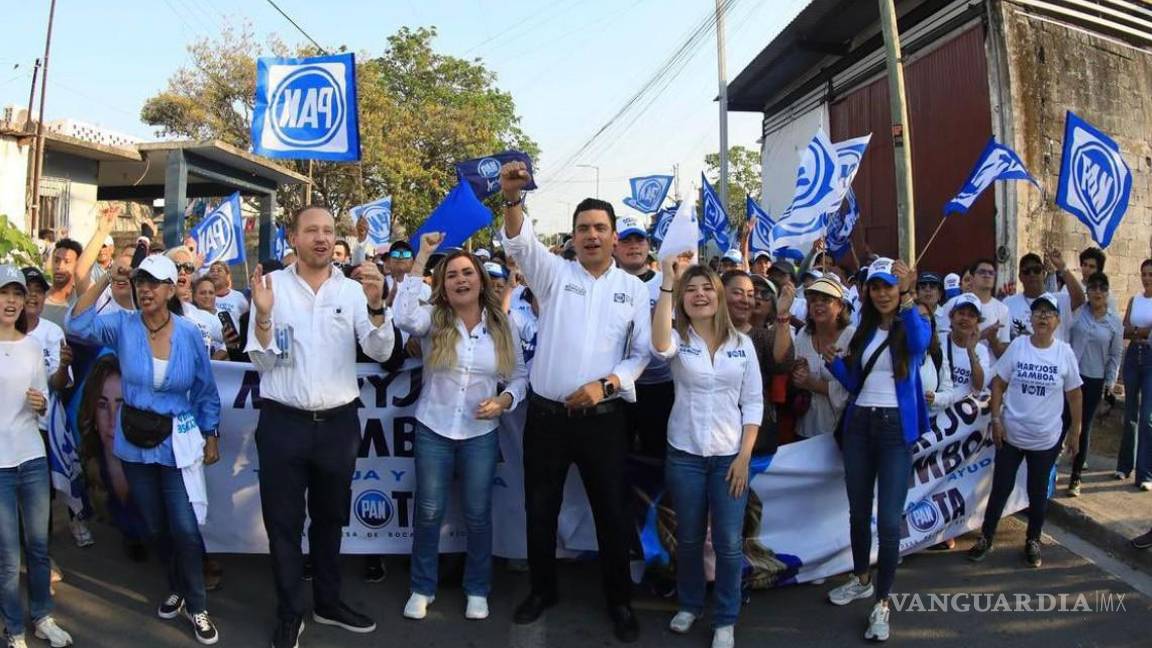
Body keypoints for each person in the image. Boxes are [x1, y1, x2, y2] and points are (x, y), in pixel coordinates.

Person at [498, 162, 650, 643]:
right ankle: (542, 590)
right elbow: (520, 243)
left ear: (613, 237)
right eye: (583, 228)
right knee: (539, 508)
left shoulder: (634, 289)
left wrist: (607, 384)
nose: (590, 235)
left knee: (611, 512)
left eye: (600, 228)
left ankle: (619, 601)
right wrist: (512, 198)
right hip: (546, 418)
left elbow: (642, 353)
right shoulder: (553, 275)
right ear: (574, 236)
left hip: (604, 421)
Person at [244, 206, 395, 648]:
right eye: (312, 230)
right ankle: (290, 612)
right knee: (284, 525)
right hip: (282, 425)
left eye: (329, 230)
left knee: (330, 521)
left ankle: (328, 604)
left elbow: (381, 351)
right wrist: (265, 315)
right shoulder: (271, 288)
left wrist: (377, 305)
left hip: (337, 426)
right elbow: (261, 359)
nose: (322, 238)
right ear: (294, 237)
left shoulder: (351, 291)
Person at [68, 255, 222, 645]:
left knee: (185, 529)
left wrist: (212, 432)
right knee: (154, 525)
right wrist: (105, 278)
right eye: (141, 283)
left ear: (171, 289)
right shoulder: (123, 326)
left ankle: (197, 603)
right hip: (134, 444)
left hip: (176, 443)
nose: (146, 290)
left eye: (155, 283)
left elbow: (205, 389)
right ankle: (175, 585)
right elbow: (77, 322)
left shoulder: (188, 333)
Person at [394, 233, 528, 621]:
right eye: (451, 275)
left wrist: (504, 401)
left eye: (467, 273)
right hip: (433, 428)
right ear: (442, 285)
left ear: (481, 280)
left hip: (480, 436)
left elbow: (520, 376)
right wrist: (422, 256)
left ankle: (478, 588)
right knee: (429, 512)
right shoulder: (434, 320)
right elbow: (403, 316)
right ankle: (422, 587)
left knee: (477, 514)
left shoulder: (503, 324)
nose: (460, 280)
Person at [651, 258, 762, 648]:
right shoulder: (679, 342)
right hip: (685, 455)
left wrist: (744, 457)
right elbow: (659, 343)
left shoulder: (742, 344)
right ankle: (690, 604)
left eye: (707, 288)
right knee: (690, 538)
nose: (700, 295)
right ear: (683, 300)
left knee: (730, 543)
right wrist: (668, 280)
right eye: (692, 290)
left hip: (730, 458)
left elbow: (753, 403)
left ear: (719, 295)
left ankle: (725, 619)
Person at [825, 258, 930, 642]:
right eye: (876, 287)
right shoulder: (862, 330)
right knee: (856, 511)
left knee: (888, 521)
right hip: (859, 427)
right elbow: (856, 381)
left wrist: (908, 298)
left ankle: (882, 602)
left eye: (889, 286)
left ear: (898, 289)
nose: (882, 293)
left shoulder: (912, 322)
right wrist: (835, 366)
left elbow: (920, 345)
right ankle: (860, 578)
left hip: (893, 431)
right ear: (867, 292)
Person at [968, 293, 1083, 568]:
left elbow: (1075, 395)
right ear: (1030, 319)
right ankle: (986, 537)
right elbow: (998, 384)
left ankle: (1033, 540)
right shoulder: (1019, 346)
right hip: (1011, 437)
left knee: (1037, 492)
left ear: (1057, 321)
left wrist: (1075, 432)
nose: (1043, 316)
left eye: (1049, 313)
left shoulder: (1064, 352)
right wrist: (996, 420)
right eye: (1038, 312)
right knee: (1000, 489)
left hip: (1045, 440)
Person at [0, 265, 75, 648]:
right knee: (9, 555)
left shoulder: (31, 346)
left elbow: (42, 404)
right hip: (0, 464)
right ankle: (13, 628)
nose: (12, 301)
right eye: (5, 293)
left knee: (39, 547)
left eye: (17, 294)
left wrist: (41, 401)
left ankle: (42, 616)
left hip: (32, 456)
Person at [613, 215, 675, 459]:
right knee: (617, 458)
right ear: (615, 245)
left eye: (639, 239)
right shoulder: (606, 283)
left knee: (657, 456)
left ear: (648, 245)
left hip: (660, 386)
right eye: (627, 240)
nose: (634, 246)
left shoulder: (667, 282)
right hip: (617, 386)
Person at [774, 278, 854, 440]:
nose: (818, 305)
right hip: (804, 429)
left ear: (840, 306)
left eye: (826, 300)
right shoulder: (803, 334)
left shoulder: (852, 337)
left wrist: (813, 384)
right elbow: (790, 371)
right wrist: (796, 372)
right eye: (813, 300)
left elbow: (853, 388)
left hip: (840, 432)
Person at [1067, 273, 1122, 496]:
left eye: (1102, 288)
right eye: (1093, 287)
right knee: (1061, 423)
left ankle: (1076, 476)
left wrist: (1109, 383)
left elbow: (1115, 355)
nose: (1097, 292)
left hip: (1093, 379)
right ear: (1087, 291)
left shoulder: (1114, 323)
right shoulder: (1078, 313)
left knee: (1083, 428)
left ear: (1107, 293)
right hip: (1070, 376)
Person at [1119, 259, 1152, 489]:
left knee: (1147, 417)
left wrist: (1139, 332)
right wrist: (1142, 332)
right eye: (1144, 273)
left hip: (1151, 360)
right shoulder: (1135, 300)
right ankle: (1124, 466)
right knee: (1129, 413)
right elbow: (1125, 328)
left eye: (1150, 274)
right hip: (1133, 357)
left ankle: (1145, 473)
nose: (1147, 278)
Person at [1003, 251, 1083, 342]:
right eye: (1026, 271)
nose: (1032, 274)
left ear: (1043, 274)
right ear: (1020, 276)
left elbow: (1080, 299)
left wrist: (1062, 267)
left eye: (1036, 270)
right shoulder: (1007, 304)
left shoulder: (1059, 300)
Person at [940, 259, 1010, 358]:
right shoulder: (953, 303)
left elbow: (1003, 355)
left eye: (991, 273)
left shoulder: (1003, 309)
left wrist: (993, 340)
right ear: (972, 278)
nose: (987, 275)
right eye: (982, 272)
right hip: (957, 367)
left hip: (990, 370)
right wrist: (982, 335)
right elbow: (943, 340)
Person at [207, 262, 248, 332]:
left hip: (234, 341)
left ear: (227, 276)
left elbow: (247, 321)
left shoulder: (238, 297)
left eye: (219, 270)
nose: (215, 273)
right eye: (212, 271)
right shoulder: (203, 298)